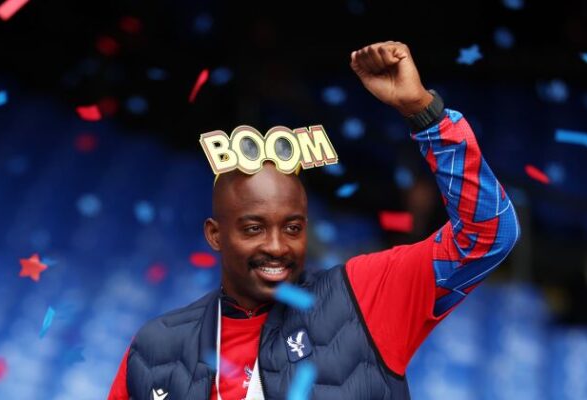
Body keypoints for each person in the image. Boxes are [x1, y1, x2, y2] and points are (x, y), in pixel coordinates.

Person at [108, 41, 520, 400]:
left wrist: (424, 114)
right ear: (215, 235)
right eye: (254, 228)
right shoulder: (155, 348)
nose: (276, 246)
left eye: (293, 227)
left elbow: (488, 235)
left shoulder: (365, 296)